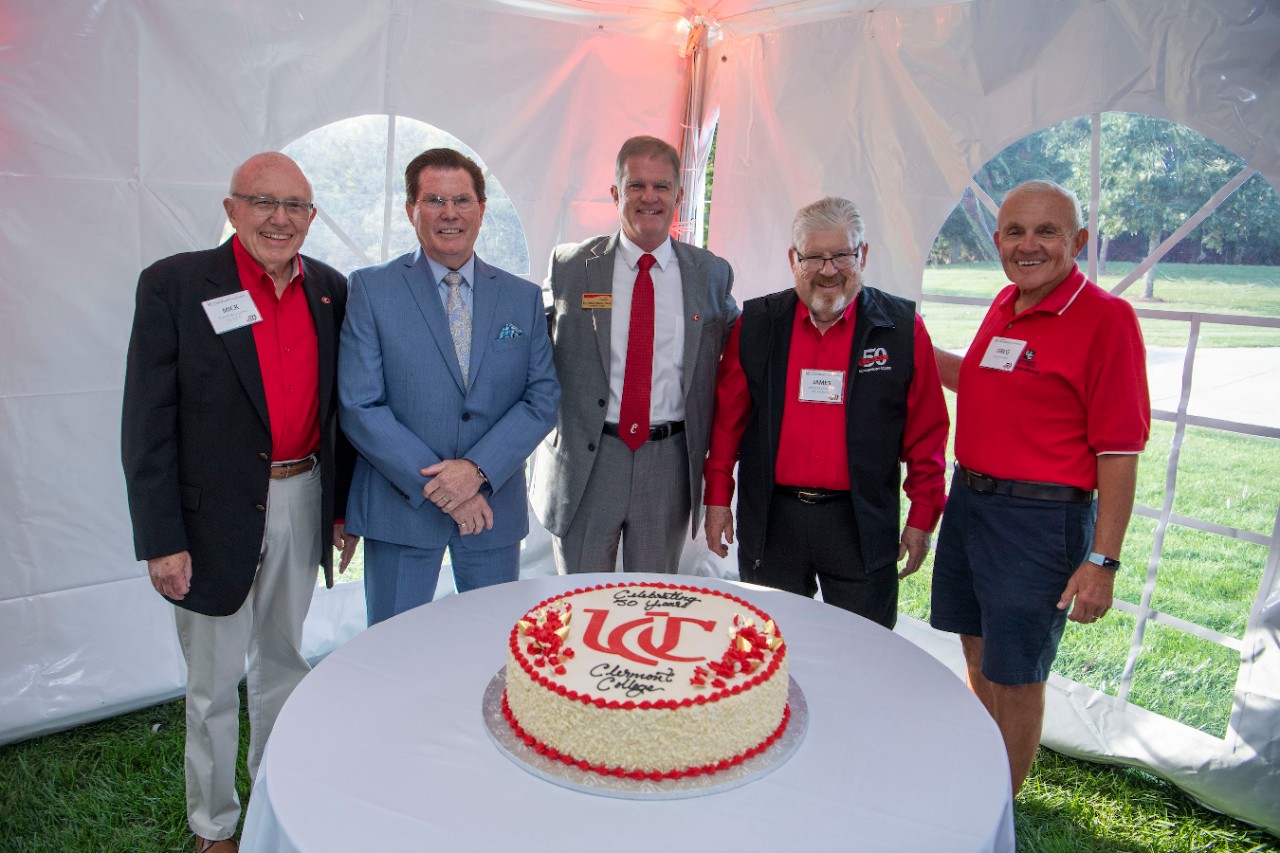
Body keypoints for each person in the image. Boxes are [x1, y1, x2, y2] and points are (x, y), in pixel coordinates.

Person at [121, 152, 358, 853]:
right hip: (209, 517)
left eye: (295, 207)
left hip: (303, 491)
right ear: (231, 209)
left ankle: (274, 802)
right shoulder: (176, 285)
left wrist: (340, 510)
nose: (280, 219)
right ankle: (214, 825)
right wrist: (161, 538)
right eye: (263, 202)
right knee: (213, 682)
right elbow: (147, 422)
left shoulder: (331, 290)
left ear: (312, 219)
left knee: (285, 662)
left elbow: (340, 413)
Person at [931, 180, 1150, 794]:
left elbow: (1120, 453)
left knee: (1017, 674)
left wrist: (1102, 561)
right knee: (977, 650)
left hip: (1039, 521)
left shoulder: (1106, 319)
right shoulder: (1007, 302)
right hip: (971, 504)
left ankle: (999, 801)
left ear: (1078, 241)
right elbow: (974, 380)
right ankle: (985, 768)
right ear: (998, 240)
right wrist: (908, 339)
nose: (1028, 245)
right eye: (1015, 232)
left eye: (1046, 231)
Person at [703, 196, 949, 628]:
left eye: (842, 255)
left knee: (864, 651)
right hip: (774, 521)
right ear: (793, 260)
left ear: (864, 255)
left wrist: (923, 516)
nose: (829, 269)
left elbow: (927, 431)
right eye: (814, 257)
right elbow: (727, 422)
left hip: (860, 522)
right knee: (771, 645)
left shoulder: (901, 328)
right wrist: (718, 499)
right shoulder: (757, 323)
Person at [339, 148, 558, 625]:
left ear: (481, 208)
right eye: (434, 199)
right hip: (401, 508)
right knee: (396, 654)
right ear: (410, 210)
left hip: (491, 508)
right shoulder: (371, 290)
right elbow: (361, 405)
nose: (450, 213)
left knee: (491, 648)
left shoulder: (521, 298)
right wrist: (448, 487)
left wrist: (476, 471)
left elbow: (541, 400)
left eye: (462, 200)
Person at [530, 135, 738, 574]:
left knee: (651, 603)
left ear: (679, 196)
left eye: (661, 186)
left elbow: (746, 348)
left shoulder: (710, 274)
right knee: (579, 602)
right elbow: (524, 342)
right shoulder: (570, 266)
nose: (649, 197)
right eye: (636, 185)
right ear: (615, 193)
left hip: (668, 465)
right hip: (589, 461)